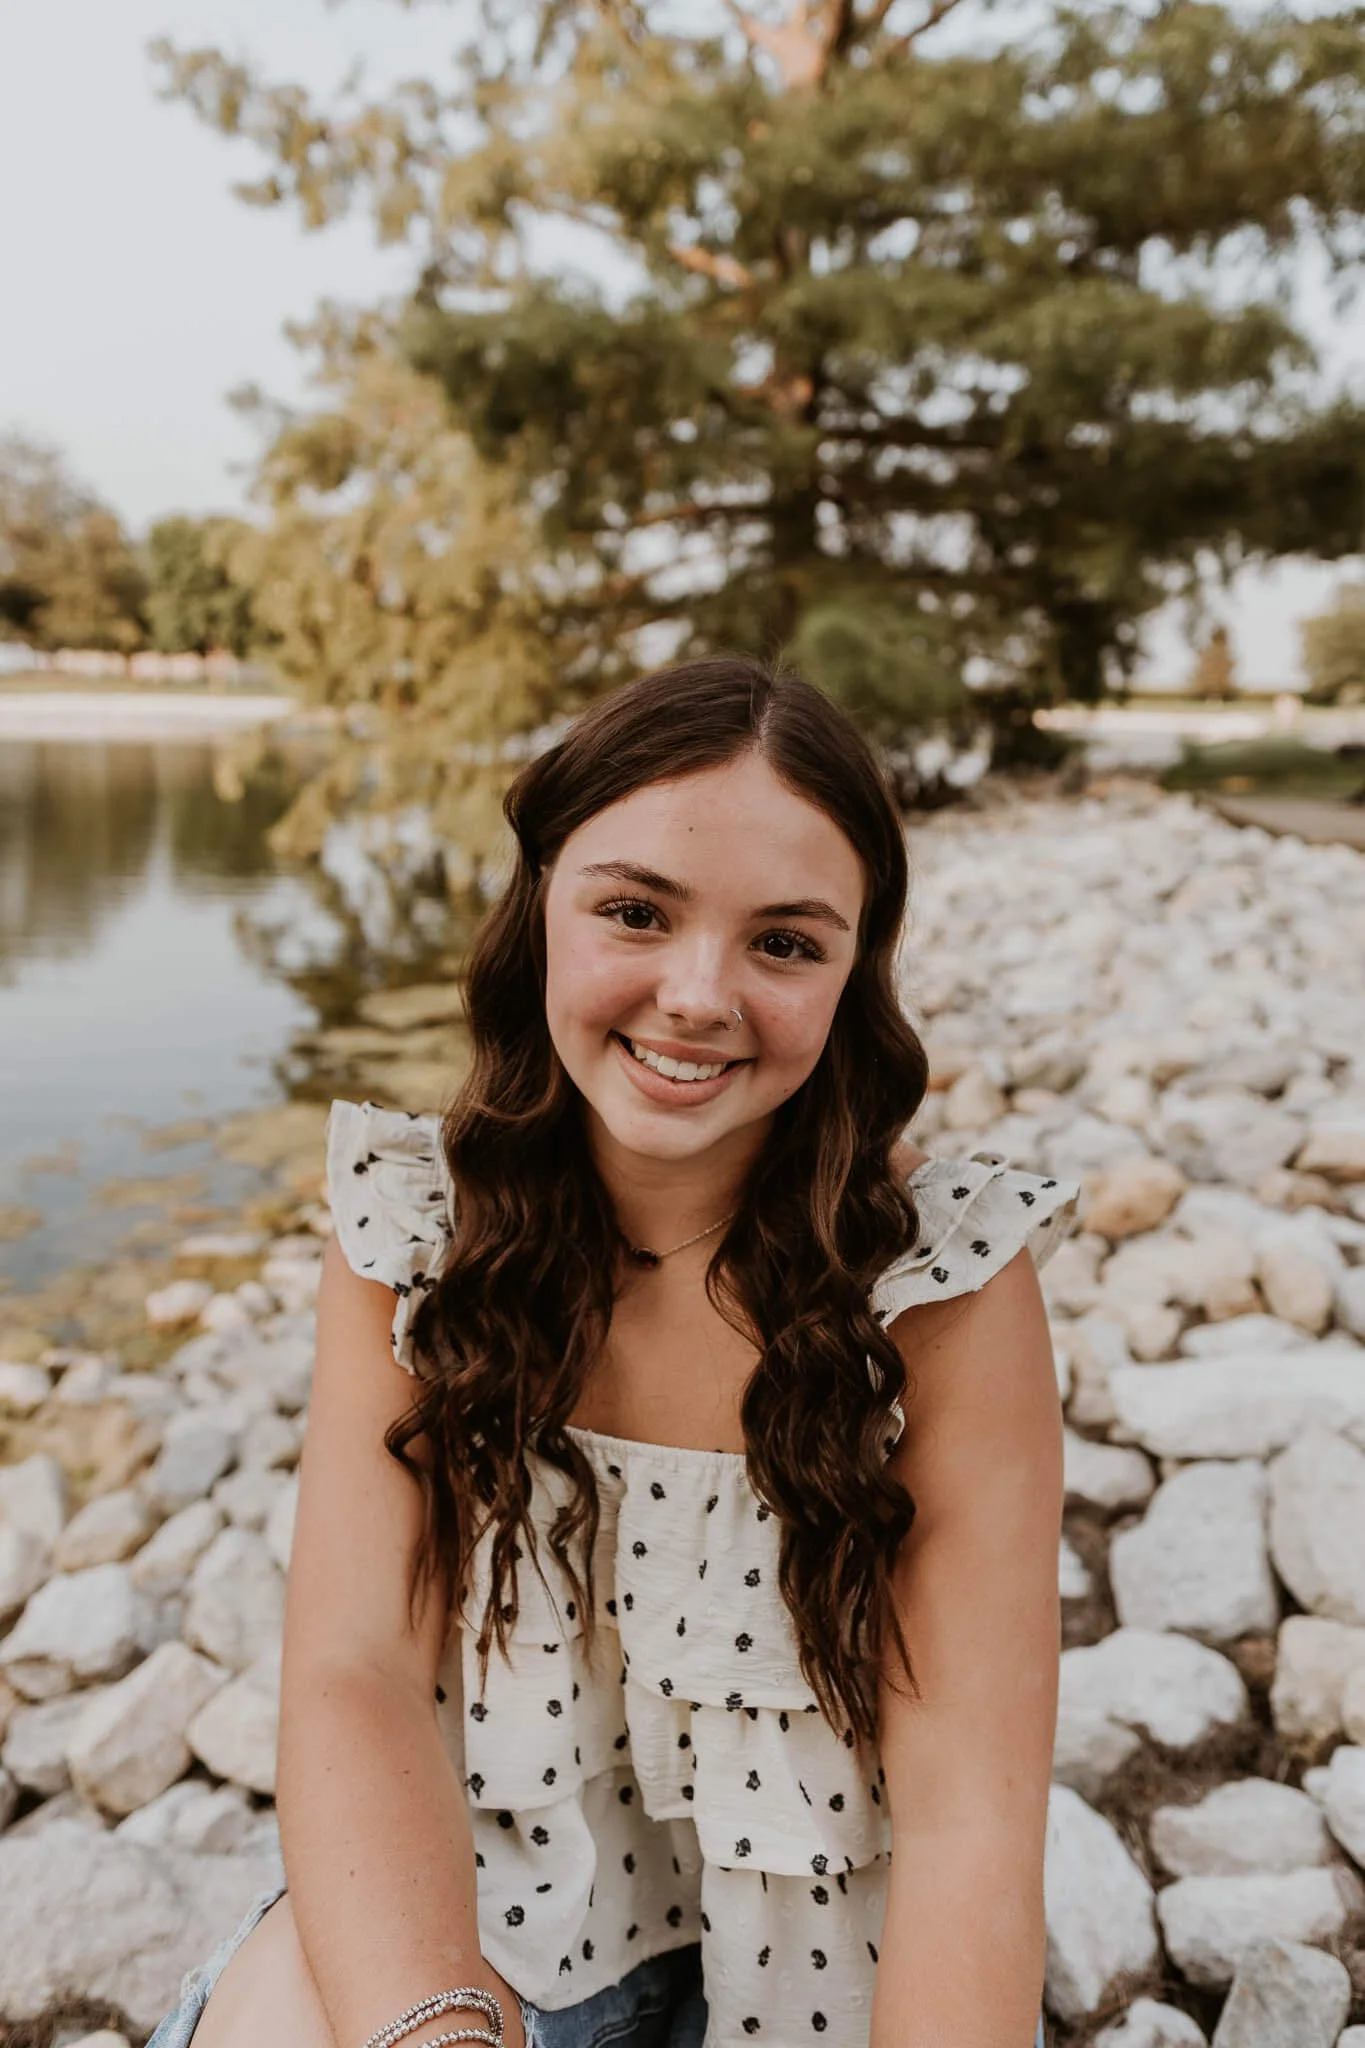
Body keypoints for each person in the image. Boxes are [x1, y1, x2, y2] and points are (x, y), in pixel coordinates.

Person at [149, 656, 1079, 2048]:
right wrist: (439, 2030)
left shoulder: (939, 1292)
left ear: (852, 974)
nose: (697, 994)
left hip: (820, 1981)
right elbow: (358, 1676)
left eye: (786, 942)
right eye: (636, 912)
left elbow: (971, 1817)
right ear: (538, 913)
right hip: (498, 1927)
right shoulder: (416, 1235)